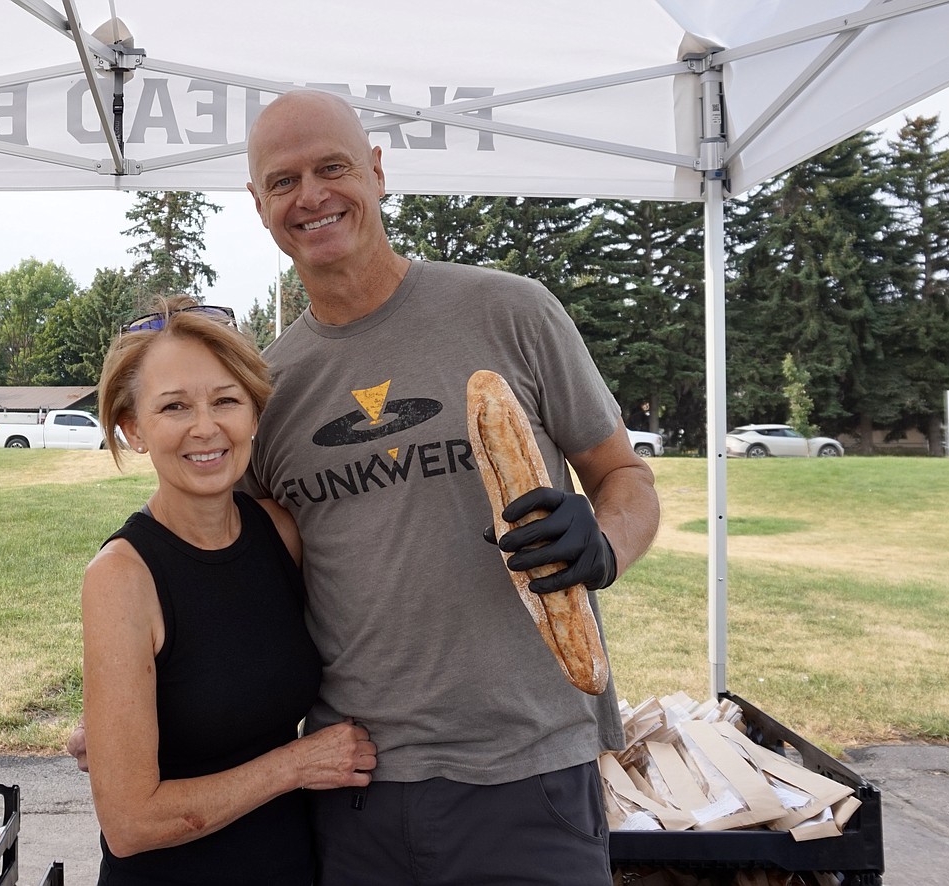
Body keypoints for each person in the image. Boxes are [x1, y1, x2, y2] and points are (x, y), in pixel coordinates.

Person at [238, 90, 661, 885]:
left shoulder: (511, 313)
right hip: (356, 785)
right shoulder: (267, 389)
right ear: (258, 205)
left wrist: (602, 543)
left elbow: (624, 476)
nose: (313, 196)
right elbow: (237, 577)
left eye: (332, 168)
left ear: (377, 172)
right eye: (284, 181)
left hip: (528, 773)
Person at [80, 294, 376, 886]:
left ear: (255, 414)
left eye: (225, 400)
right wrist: (297, 764)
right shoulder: (122, 577)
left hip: (292, 864)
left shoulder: (280, 534)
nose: (206, 427)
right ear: (133, 429)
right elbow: (130, 822)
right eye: (173, 407)